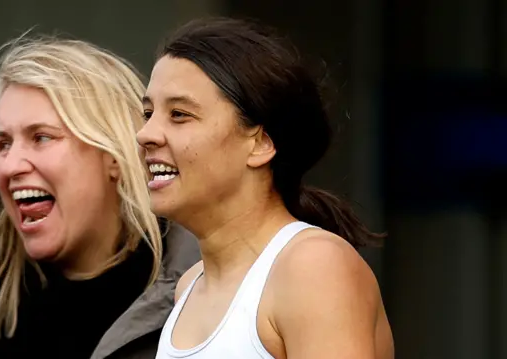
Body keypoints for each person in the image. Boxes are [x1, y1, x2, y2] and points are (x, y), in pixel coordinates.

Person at [0, 35, 200, 359]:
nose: (10, 165)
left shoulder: (200, 289)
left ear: (113, 157)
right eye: (3, 144)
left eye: (41, 137)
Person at [137, 17, 394, 359]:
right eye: (148, 113)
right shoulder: (190, 285)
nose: (146, 134)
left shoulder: (312, 266)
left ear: (260, 143)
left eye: (180, 114)